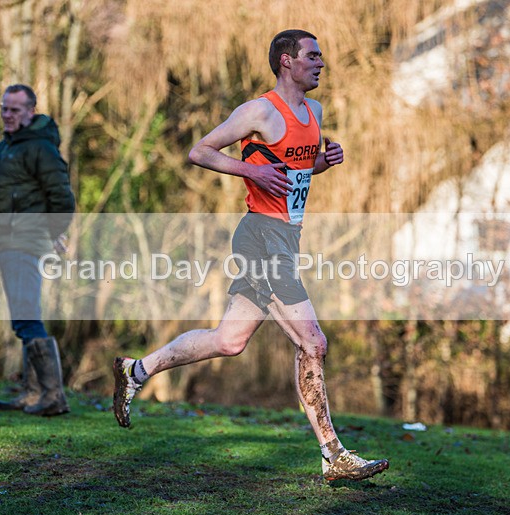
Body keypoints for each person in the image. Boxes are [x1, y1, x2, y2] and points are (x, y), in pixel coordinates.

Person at [113, 30, 389, 481]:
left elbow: (296, 170)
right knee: (313, 342)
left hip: (286, 237)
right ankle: (333, 455)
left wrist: (324, 162)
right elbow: (199, 151)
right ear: (286, 61)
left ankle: (136, 369)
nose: (321, 63)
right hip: (260, 236)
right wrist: (250, 171)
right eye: (312, 56)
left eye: (320, 56)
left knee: (229, 341)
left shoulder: (314, 111)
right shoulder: (259, 110)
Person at [0, 84, 75, 416]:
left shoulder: (41, 149)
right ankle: (33, 393)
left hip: (25, 240)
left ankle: (52, 396)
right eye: (4, 108)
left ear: (31, 111)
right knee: (23, 315)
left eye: (14, 109)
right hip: (8, 239)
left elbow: (63, 200)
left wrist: (50, 233)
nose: (7, 114)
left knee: (26, 317)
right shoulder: (5, 148)